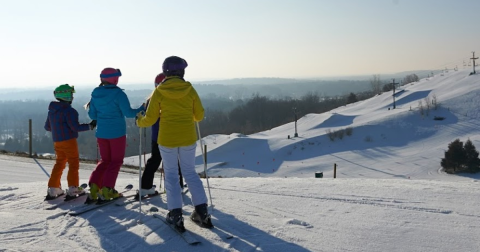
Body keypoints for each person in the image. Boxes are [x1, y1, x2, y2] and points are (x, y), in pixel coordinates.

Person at [136, 56, 212, 232]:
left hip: (167, 139)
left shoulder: (160, 91)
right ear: (182, 71)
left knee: (170, 175)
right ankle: (202, 212)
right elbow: (199, 115)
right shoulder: (190, 89)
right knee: (190, 173)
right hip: (188, 138)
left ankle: (175, 215)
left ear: (165, 72)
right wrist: (188, 116)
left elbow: (150, 119)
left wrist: (139, 121)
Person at [86, 68, 144, 203]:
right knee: (116, 161)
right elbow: (129, 113)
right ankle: (107, 189)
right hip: (117, 133)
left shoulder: (95, 93)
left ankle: (94, 187)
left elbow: (92, 115)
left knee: (105, 161)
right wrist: (142, 109)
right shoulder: (118, 94)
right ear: (115, 79)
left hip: (101, 133)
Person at [137, 73, 185, 200]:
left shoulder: (151, 100)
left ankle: (145, 187)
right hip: (172, 136)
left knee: (154, 160)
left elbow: (149, 118)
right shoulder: (175, 99)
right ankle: (177, 187)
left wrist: (140, 119)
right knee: (174, 162)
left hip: (157, 137)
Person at [44, 84, 96, 200]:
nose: (72, 96)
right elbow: (75, 127)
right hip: (69, 141)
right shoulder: (70, 111)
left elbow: (47, 127)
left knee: (59, 163)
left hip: (57, 141)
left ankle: (53, 188)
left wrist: (58, 128)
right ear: (66, 95)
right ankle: (73, 188)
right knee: (73, 163)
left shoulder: (52, 111)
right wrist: (90, 126)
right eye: (71, 94)